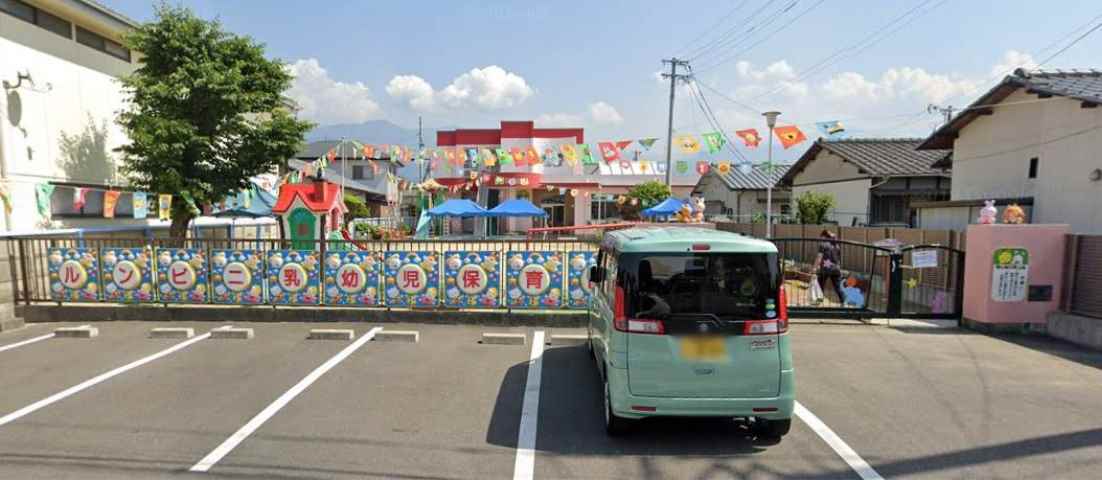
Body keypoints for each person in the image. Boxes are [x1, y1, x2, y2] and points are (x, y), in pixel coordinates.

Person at [813, 230, 843, 304]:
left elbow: (819, 257)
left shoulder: (823, 245)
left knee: (820, 286)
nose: (820, 239)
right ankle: (844, 301)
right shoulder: (837, 246)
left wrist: (814, 268)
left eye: (821, 237)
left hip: (826, 269)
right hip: (836, 269)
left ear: (824, 236)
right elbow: (838, 259)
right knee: (838, 287)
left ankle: (818, 301)